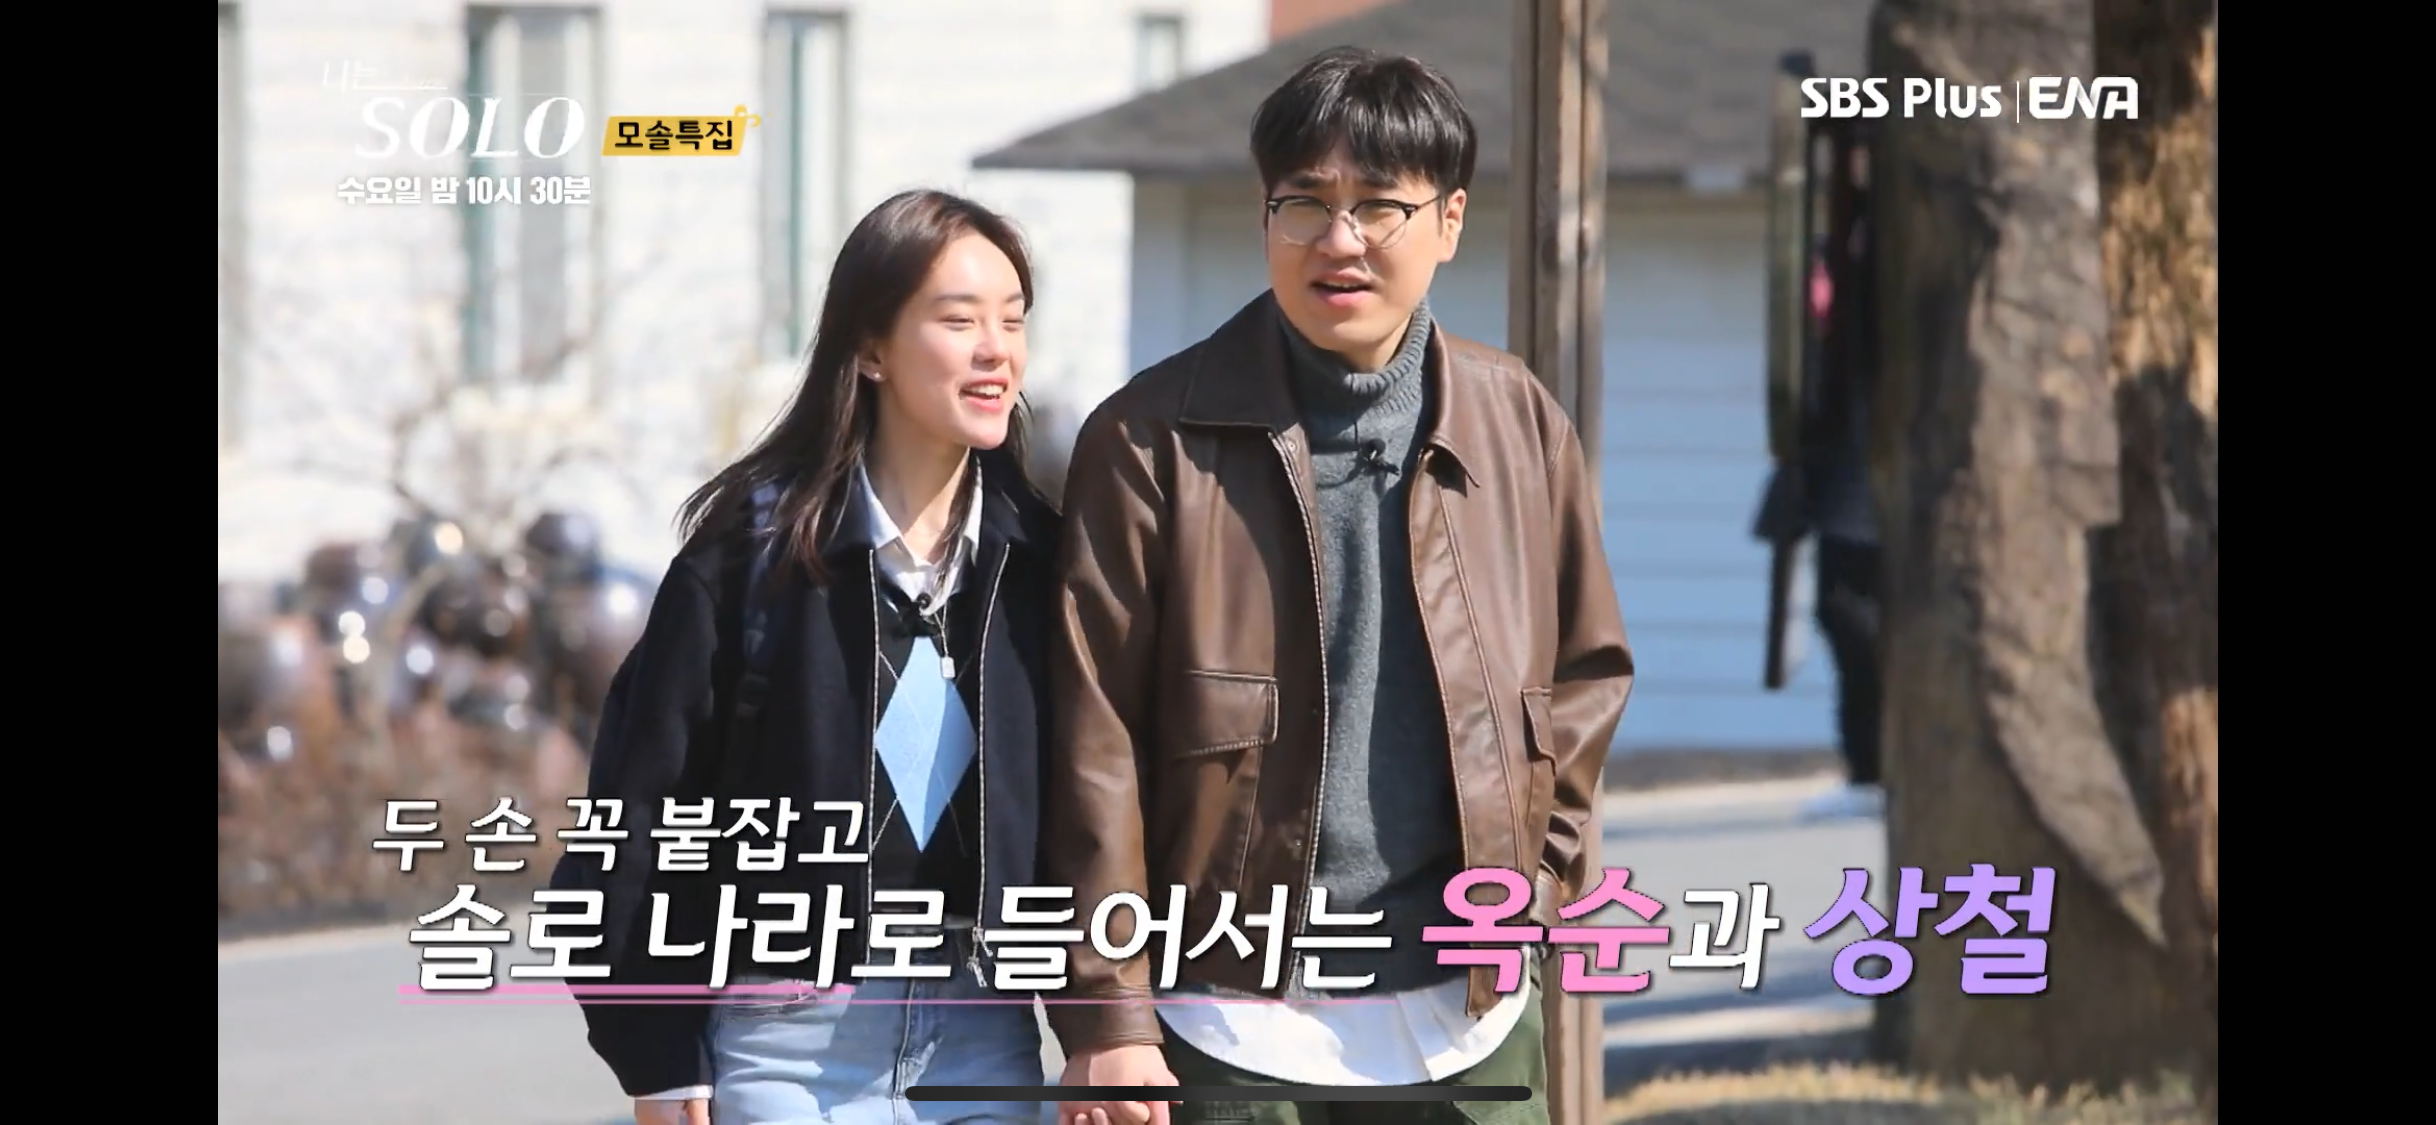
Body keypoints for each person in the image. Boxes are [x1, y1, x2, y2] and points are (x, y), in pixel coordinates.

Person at [1043, 46, 1635, 1125]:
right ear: (1264, 215)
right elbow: (1094, 741)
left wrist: (1529, 896)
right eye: (1306, 203)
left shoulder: (1517, 423)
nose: (1340, 239)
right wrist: (1108, 1014)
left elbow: (1586, 681)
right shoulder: (1149, 440)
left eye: (1379, 206)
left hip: (1468, 1018)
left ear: (1449, 221)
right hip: (1227, 1020)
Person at [556, 188, 1063, 1125]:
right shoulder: (749, 559)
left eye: (1013, 319)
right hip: (786, 1043)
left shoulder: (1042, 565)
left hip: (985, 1034)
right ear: (870, 348)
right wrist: (655, 1054)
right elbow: (637, 810)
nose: (997, 349)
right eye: (960, 320)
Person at [1793, 131, 1883, 823]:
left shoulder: (1897, 237)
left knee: (1857, 604)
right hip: (1847, 445)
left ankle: (1878, 763)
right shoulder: (1844, 237)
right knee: (1841, 605)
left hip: (1883, 442)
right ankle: (1868, 764)